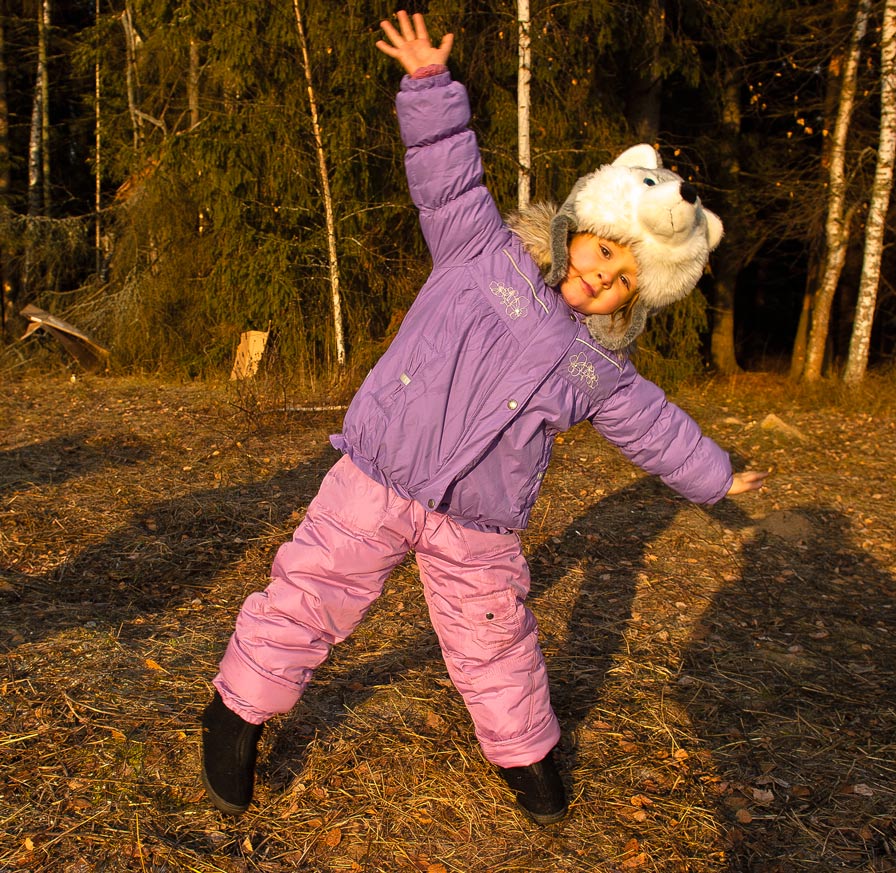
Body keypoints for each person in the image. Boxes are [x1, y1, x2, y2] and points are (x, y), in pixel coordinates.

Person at [200, 10, 767, 826]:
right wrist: (429, 86)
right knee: (311, 594)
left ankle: (526, 752)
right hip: (380, 472)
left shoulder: (600, 367)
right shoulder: (482, 250)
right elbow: (448, 173)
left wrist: (716, 474)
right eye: (604, 251)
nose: (603, 277)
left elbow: (657, 427)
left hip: (481, 522)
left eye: (625, 279)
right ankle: (237, 712)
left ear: (639, 298)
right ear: (579, 228)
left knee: (495, 638)